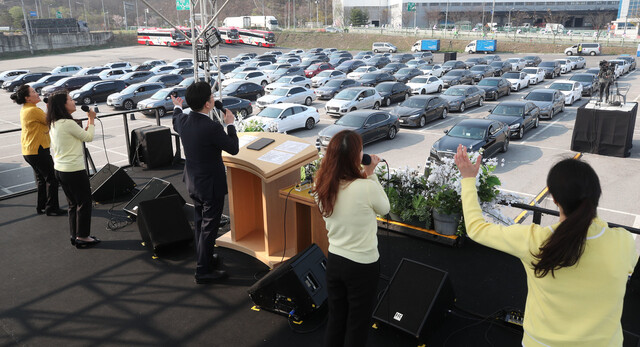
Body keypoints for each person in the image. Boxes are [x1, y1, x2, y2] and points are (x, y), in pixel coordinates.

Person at [454, 144, 638, 347]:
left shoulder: (534, 240)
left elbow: (476, 228)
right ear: (596, 196)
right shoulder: (623, 242)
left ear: (555, 200)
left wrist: (468, 179)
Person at [312, 130, 389, 347]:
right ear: (356, 157)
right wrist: (370, 172)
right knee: (358, 323)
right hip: (363, 266)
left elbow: (348, 190)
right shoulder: (366, 187)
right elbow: (385, 207)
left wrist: (363, 174)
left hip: (335, 261)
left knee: (336, 319)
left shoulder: (322, 183)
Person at [170, 82, 239, 284]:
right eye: (211, 97)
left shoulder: (183, 121)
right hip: (211, 186)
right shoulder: (212, 127)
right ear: (208, 105)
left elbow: (175, 118)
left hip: (193, 183)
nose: (213, 98)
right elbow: (233, 148)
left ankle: (205, 258)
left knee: (201, 223)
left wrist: (176, 105)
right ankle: (203, 270)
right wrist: (230, 124)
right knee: (210, 227)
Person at [46, 91, 100, 248]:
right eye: (70, 99)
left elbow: (80, 136)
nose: (73, 101)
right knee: (84, 203)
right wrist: (91, 119)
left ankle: (75, 234)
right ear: (63, 105)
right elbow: (88, 137)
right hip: (73, 170)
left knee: (72, 204)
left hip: (60, 169)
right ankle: (83, 237)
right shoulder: (67, 123)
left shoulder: (55, 122)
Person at [11, 85, 65, 216]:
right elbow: (51, 120)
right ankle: (52, 208)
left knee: (42, 180)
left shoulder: (27, 109)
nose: (37, 93)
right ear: (27, 98)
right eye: (34, 92)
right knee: (52, 179)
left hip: (30, 151)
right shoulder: (33, 110)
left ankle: (42, 206)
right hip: (38, 150)